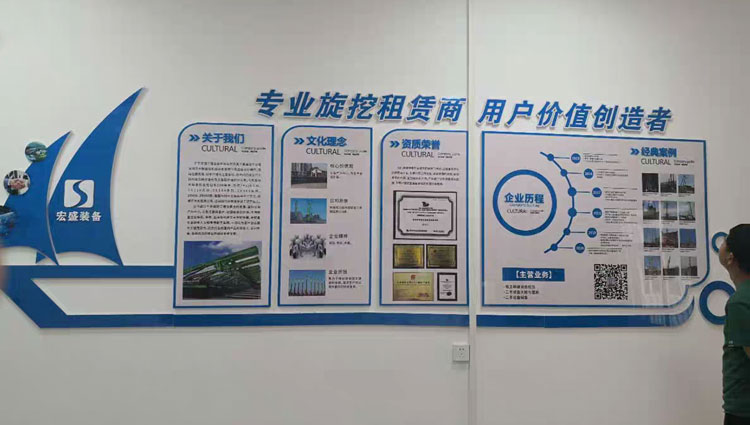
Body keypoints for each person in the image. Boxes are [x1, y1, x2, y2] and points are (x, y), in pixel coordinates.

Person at [719, 224, 750, 424]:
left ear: (731, 257)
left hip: (743, 413)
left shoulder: (740, 302)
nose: (721, 244)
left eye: (725, 240)